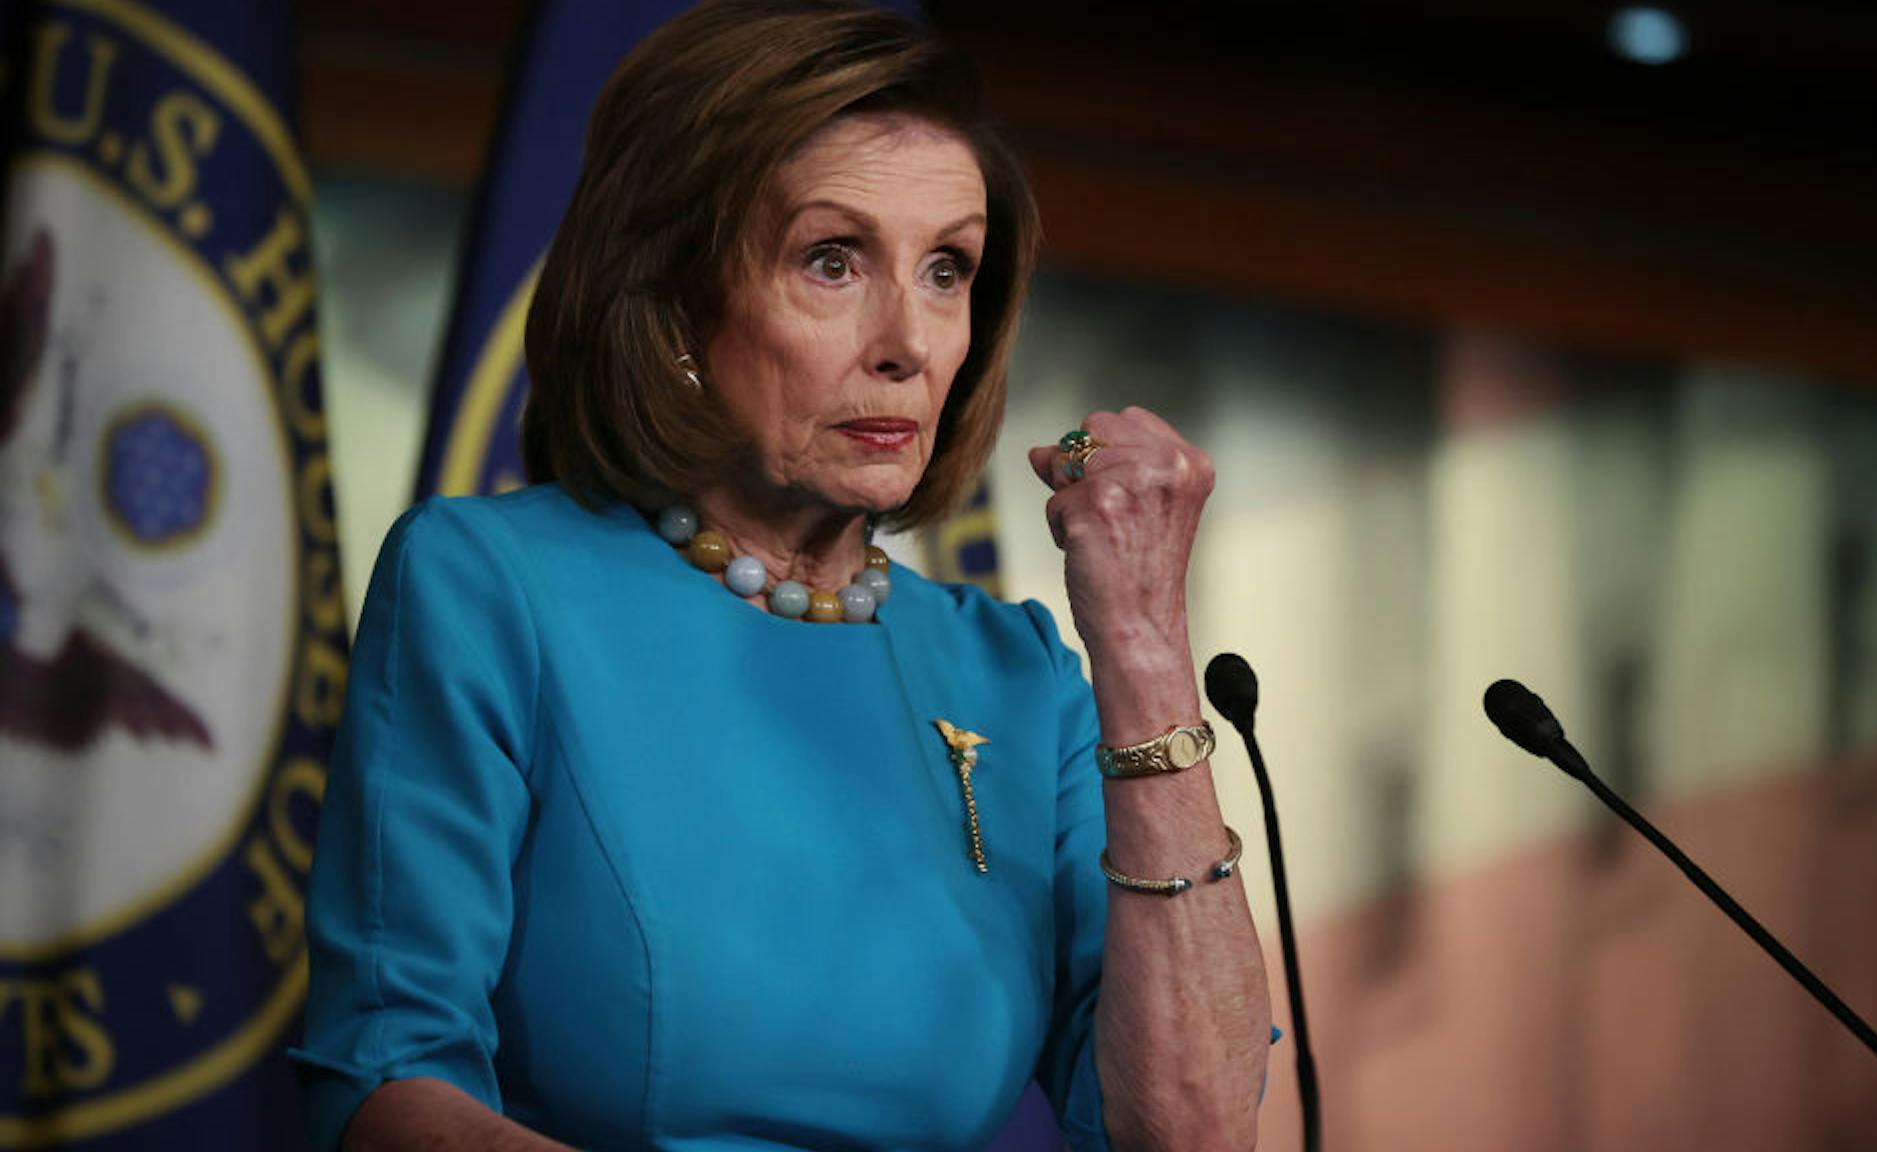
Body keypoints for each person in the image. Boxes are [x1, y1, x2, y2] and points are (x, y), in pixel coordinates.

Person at [292, 2, 1272, 1149]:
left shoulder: (1019, 675)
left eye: (948, 268)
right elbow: (383, 1085)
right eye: (831, 260)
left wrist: (1145, 648)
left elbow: (1192, 1134)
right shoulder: (492, 586)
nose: (907, 338)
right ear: (674, 304)